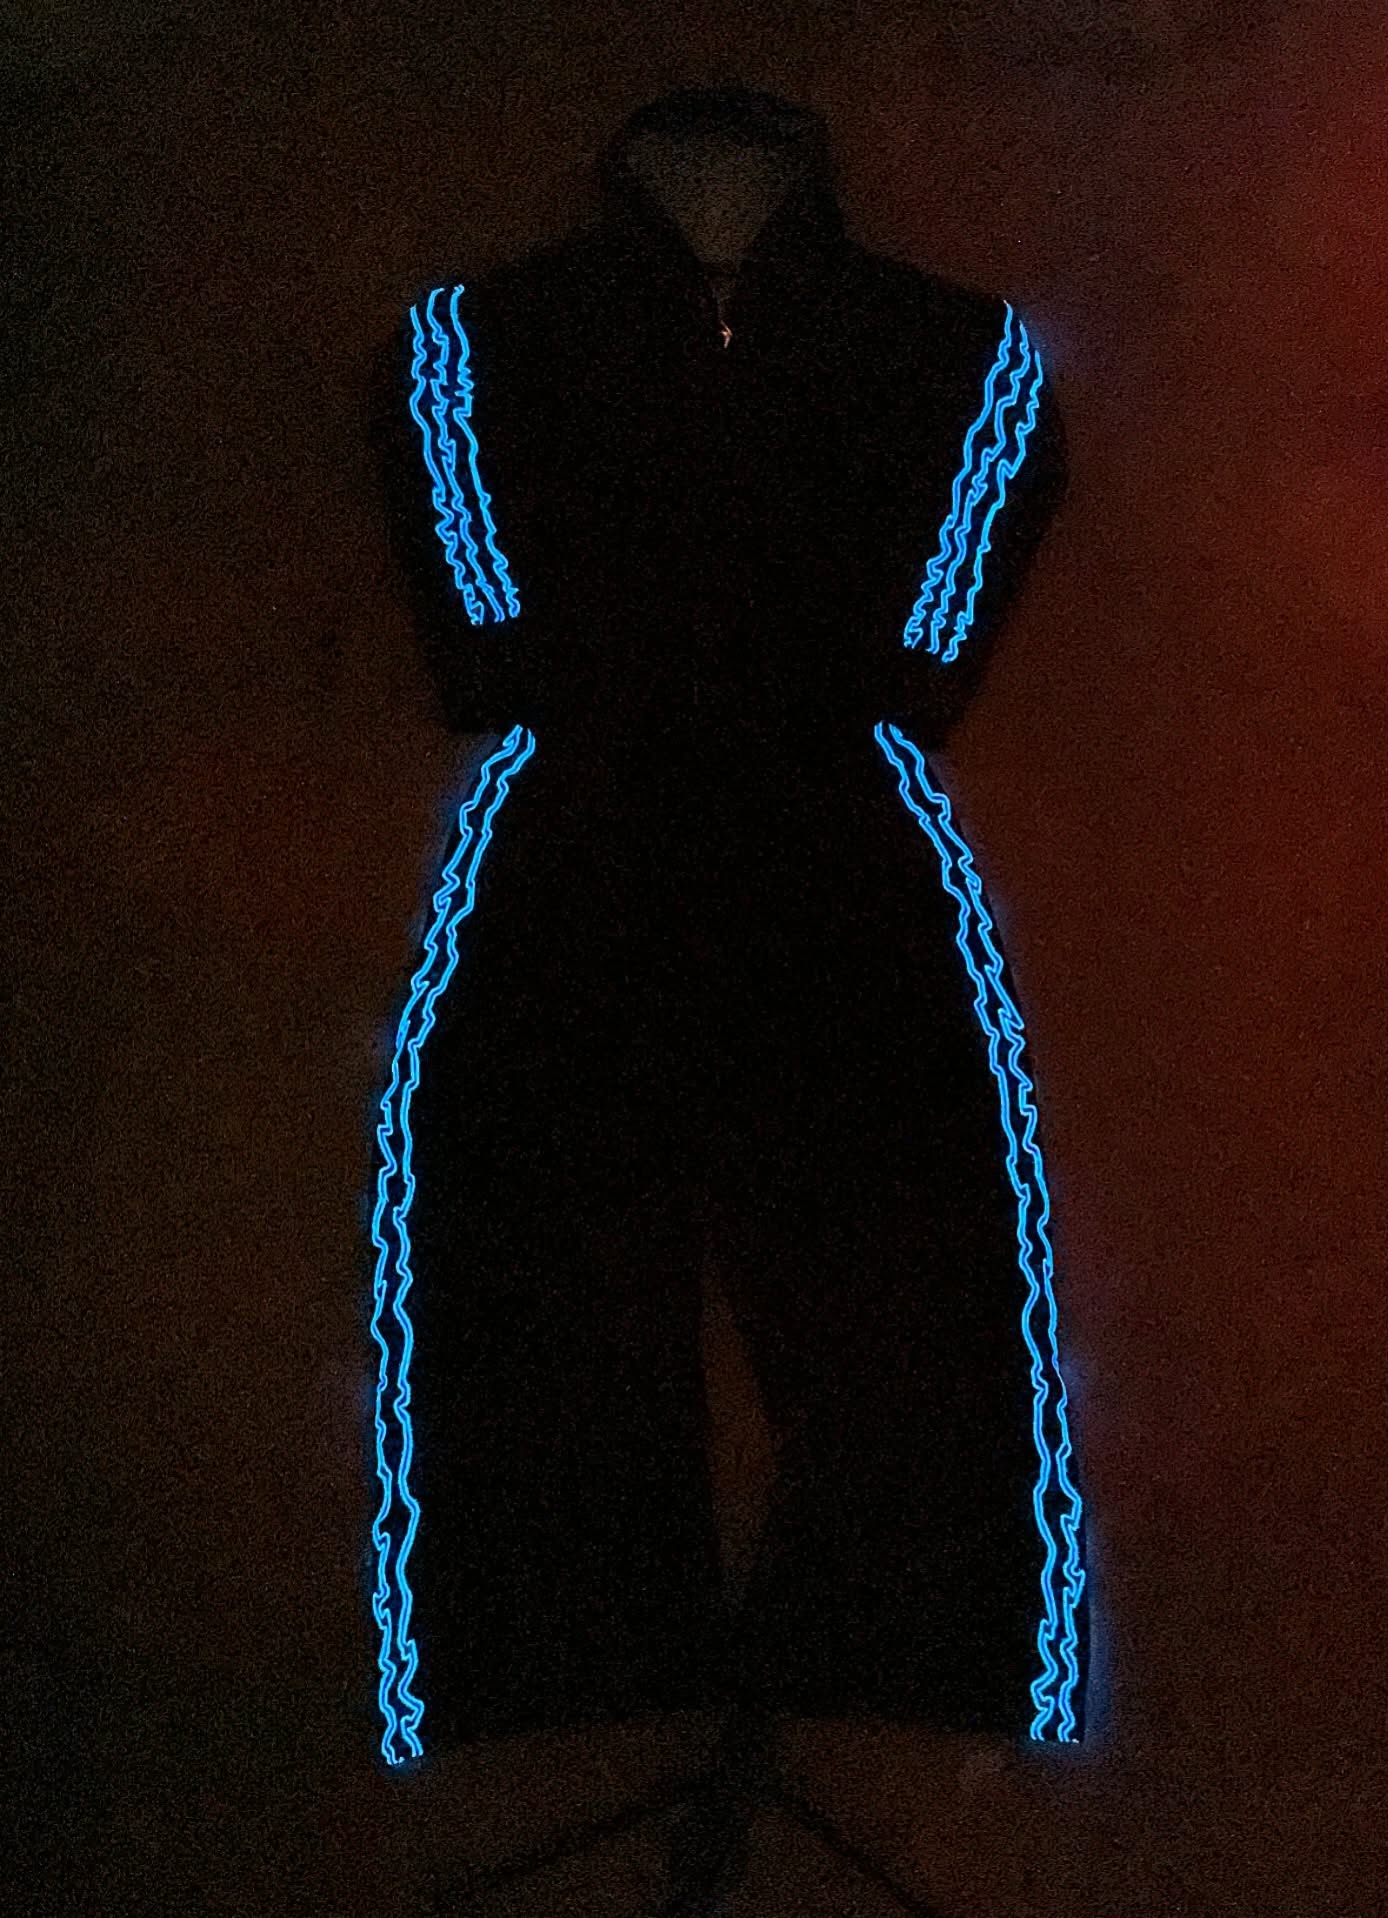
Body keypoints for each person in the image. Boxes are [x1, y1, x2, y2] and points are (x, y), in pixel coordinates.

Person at [368, 84, 1088, 1810]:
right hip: (573, 820)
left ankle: (916, 1639)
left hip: (835, 822)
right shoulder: (481, 332)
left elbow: (1010, 429)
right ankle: (558, 1645)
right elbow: (434, 444)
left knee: (907, 1226)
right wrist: (503, 651)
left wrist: (916, 664)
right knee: (533, 1222)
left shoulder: (944, 339)